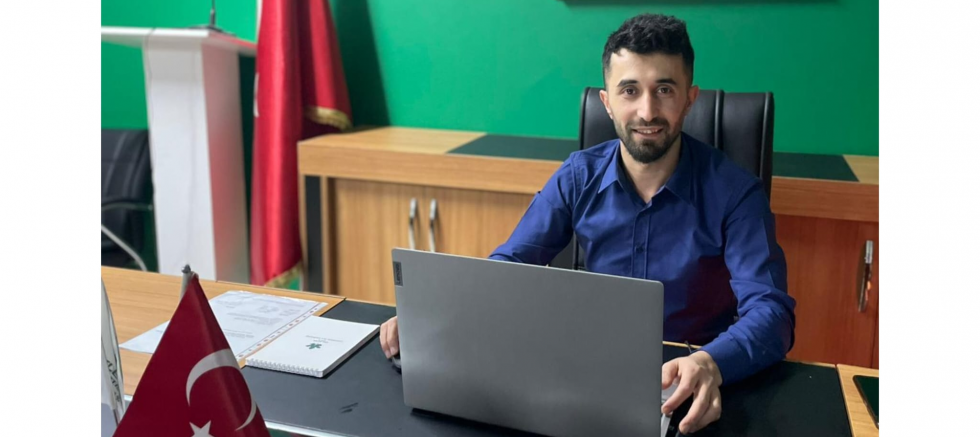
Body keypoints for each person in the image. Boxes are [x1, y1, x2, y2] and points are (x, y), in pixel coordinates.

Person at [380, 13, 796, 434]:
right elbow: (510, 266)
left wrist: (710, 362)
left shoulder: (736, 193)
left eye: (664, 90)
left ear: (690, 99)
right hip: (583, 378)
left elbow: (772, 313)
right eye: (629, 90)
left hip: (688, 384)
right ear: (607, 102)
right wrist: (435, 316)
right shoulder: (578, 175)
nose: (647, 111)